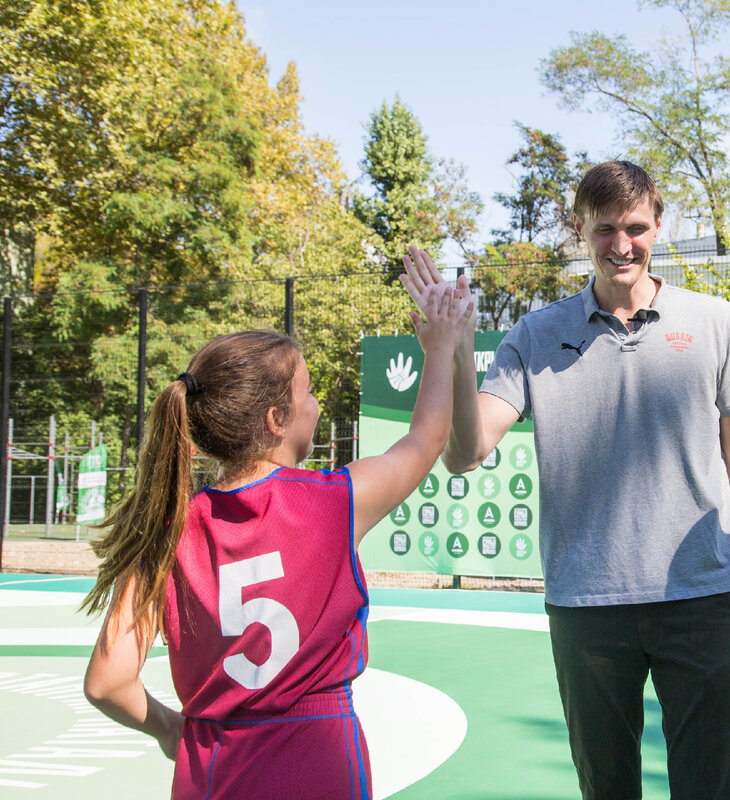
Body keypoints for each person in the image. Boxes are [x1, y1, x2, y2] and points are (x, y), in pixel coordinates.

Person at [401, 160, 730, 800]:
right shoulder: (535, 335)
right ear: (580, 229)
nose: (621, 245)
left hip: (700, 599)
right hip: (587, 607)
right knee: (607, 790)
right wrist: (456, 350)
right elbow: (463, 454)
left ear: (660, 225)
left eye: (635, 227)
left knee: (712, 787)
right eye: (605, 229)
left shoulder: (715, 323)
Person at [80, 285, 473, 799]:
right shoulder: (334, 503)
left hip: (211, 767)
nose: (315, 403)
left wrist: (172, 729)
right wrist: (441, 350)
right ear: (276, 420)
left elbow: (107, 683)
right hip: (318, 760)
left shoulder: (165, 530)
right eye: (307, 393)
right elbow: (426, 438)